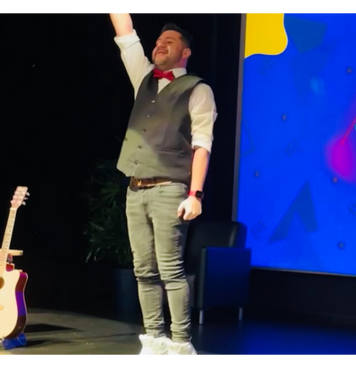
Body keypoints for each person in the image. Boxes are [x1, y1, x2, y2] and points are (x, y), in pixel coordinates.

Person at [109, 10, 217, 358]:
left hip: (171, 187)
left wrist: (195, 194)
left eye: (168, 42)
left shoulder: (197, 89)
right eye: (158, 41)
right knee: (143, 269)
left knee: (170, 269)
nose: (159, 45)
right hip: (135, 187)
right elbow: (125, 33)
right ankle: (153, 339)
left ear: (184, 53)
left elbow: (203, 145)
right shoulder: (144, 78)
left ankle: (181, 342)